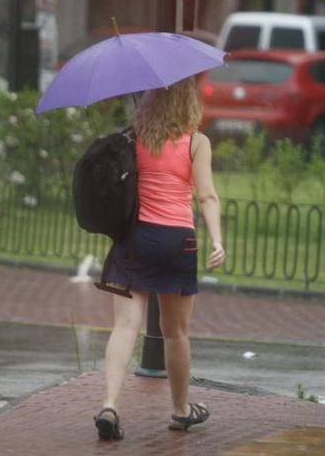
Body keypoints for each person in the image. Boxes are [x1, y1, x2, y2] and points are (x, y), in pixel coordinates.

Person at [93, 76, 225, 440]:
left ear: (150, 102)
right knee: (176, 333)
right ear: (189, 103)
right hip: (177, 241)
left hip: (137, 238)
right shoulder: (197, 143)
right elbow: (207, 197)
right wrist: (217, 240)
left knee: (125, 326)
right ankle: (181, 411)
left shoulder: (135, 140)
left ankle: (109, 404)